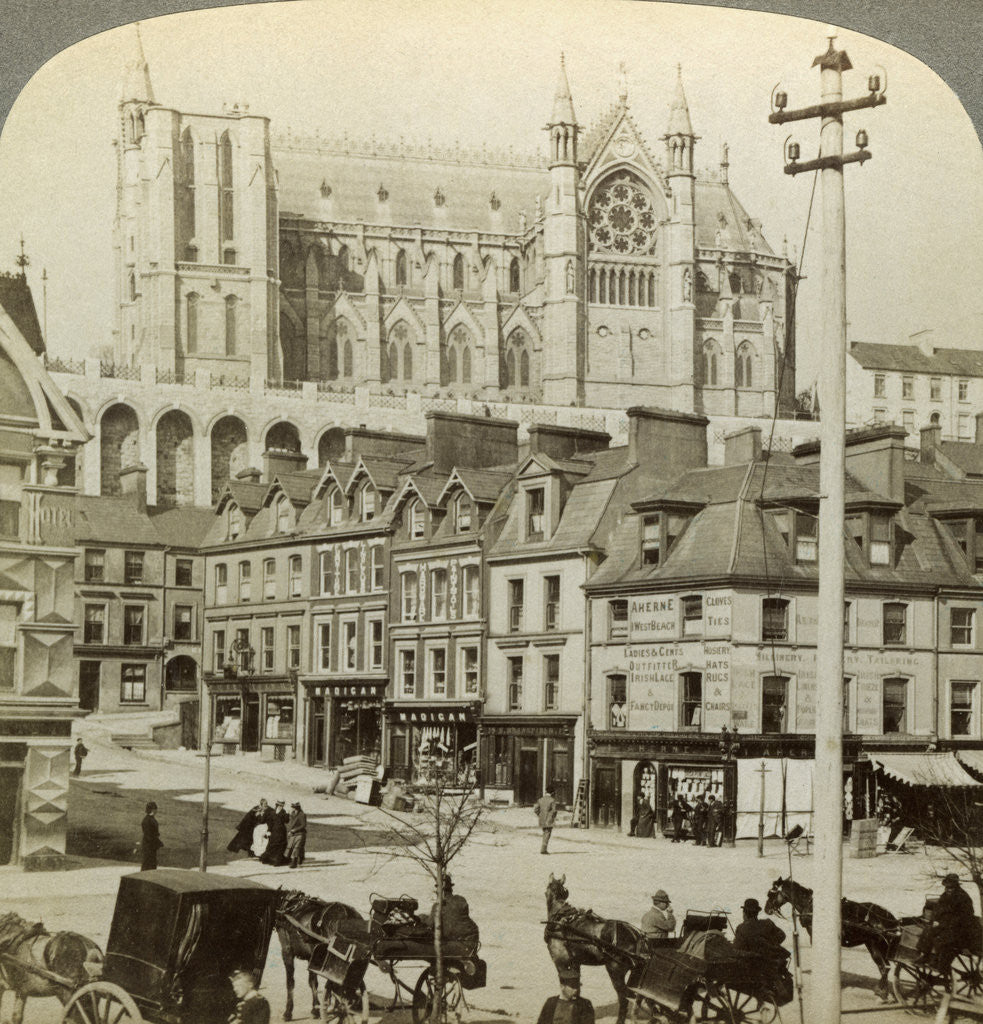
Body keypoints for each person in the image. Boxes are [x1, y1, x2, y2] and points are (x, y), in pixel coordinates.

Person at [918, 873, 978, 972]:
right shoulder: (945, 895)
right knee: (928, 930)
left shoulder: (963, 898)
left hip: (960, 929)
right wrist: (935, 920)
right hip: (945, 925)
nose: (948, 889)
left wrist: (942, 924)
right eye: (947, 887)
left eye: (951, 887)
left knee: (943, 939)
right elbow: (938, 910)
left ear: (956, 886)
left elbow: (964, 918)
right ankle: (925, 955)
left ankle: (939, 963)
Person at [420, 875, 480, 954]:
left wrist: (420, 918)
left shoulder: (438, 906)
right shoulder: (460, 900)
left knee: (429, 948)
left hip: (458, 944)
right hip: (473, 942)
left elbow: (429, 924)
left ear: (440, 890)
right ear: (451, 888)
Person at [260, 800, 289, 865]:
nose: (281, 807)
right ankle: (276, 860)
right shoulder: (281, 812)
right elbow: (286, 821)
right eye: (281, 805)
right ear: (278, 805)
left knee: (273, 845)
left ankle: (267, 859)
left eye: (282, 806)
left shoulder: (273, 812)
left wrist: (269, 831)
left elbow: (271, 823)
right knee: (280, 845)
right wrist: (288, 814)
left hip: (277, 831)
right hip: (279, 831)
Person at [534, 786, 558, 854]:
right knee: (547, 834)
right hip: (549, 820)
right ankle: (543, 849)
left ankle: (544, 848)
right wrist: (553, 817)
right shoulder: (552, 800)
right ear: (552, 792)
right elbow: (554, 811)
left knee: (545, 832)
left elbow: (536, 810)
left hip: (542, 819)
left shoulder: (540, 799)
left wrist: (540, 815)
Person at [140, 801, 162, 871]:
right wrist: (156, 841)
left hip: (150, 844)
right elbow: (149, 835)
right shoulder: (148, 820)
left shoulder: (148, 819)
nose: (156, 811)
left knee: (149, 863)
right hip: (149, 845)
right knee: (148, 864)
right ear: (153, 810)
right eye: (155, 809)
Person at [286, 801, 307, 869]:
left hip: (300, 834)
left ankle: (294, 862)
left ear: (295, 808)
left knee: (297, 847)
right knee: (294, 847)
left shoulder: (302, 815)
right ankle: (301, 857)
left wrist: (294, 830)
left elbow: (303, 825)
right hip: (293, 834)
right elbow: (291, 824)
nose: (291, 808)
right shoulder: (292, 814)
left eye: (292, 807)